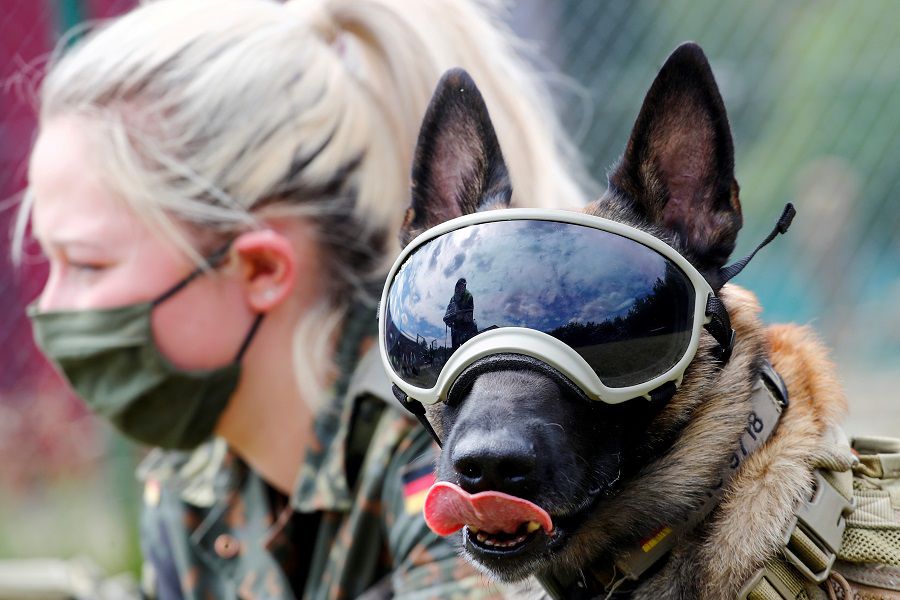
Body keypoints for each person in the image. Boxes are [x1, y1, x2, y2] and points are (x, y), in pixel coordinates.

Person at [17, 0, 592, 597]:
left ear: (261, 268)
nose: (51, 308)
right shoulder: (196, 474)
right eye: (47, 262)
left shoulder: (453, 439)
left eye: (86, 264)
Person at [444, 278, 478, 350]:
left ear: (465, 287)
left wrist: (461, 316)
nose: (460, 288)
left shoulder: (469, 296)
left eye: (463, 286)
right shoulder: (452, 299)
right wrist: (448, 320)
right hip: (456, 326)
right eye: (459, 286)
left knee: (468, 347)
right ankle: (455, 352)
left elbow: (470, 315)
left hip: (467, 326)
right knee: (454, 335)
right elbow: (448, 311)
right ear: (456, 287)